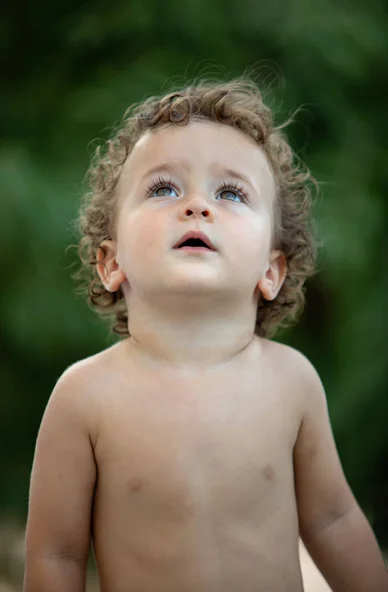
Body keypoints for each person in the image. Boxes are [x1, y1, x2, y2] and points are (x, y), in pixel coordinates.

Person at [23, 78, 387, 592]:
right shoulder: (85, 398)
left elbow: (333, 520)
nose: (196, 205)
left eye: (231, 192)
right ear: (111, 262)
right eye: (164, 188)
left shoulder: (291, 382)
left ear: (271, 269)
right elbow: (56, 555)